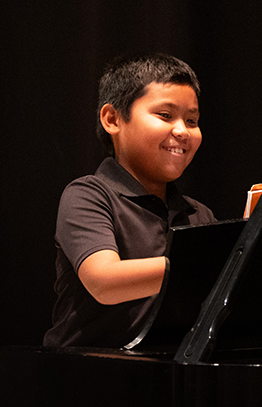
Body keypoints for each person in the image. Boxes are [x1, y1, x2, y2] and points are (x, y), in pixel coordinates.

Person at [43, 53, 216, 348]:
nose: (182, 131)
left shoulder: (198, 213)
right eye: (165, 115)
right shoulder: (88, 194)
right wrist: (219, 265)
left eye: (192, 120)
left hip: (171, 375)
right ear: (112, 119)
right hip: (86, 374)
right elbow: (104, 281)